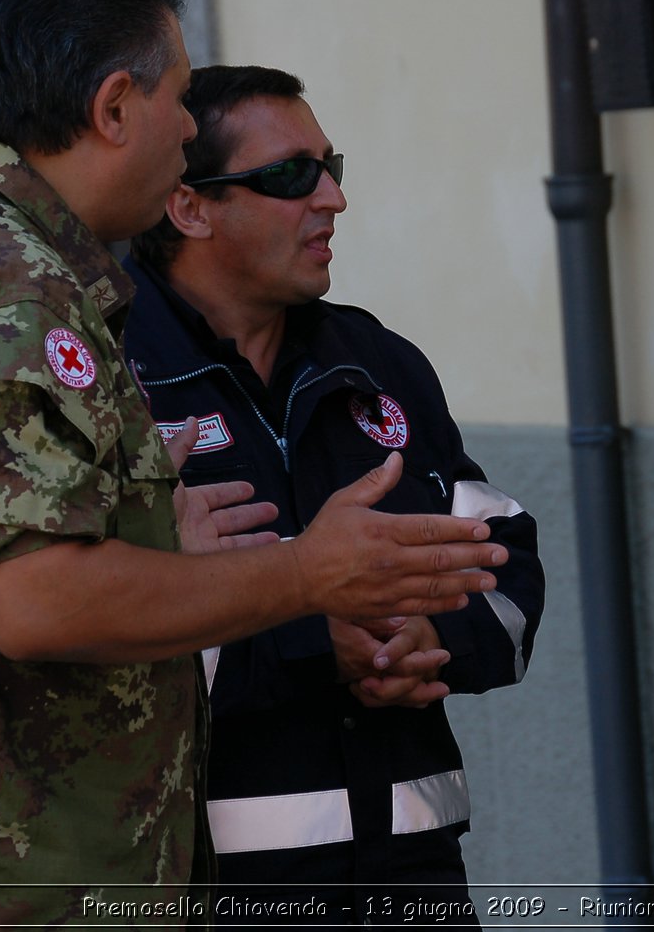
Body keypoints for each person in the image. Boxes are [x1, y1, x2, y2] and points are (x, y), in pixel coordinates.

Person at [0, 0, 506, 929]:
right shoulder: (4, 282)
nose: (188, 129)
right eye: (179, 98)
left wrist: (147, 539)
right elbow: (35, 599)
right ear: (111, 108)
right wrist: (312, 574)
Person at [122, 65, 545, 925]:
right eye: (289, 176)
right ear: (189, 207)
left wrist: (433, 639)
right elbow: (87, 627)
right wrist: (317, 640)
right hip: (211, 889)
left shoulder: (376, 363)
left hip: (415, 880)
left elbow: (505, 561)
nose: (331, 199)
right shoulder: (108, 378)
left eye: (331, 166)